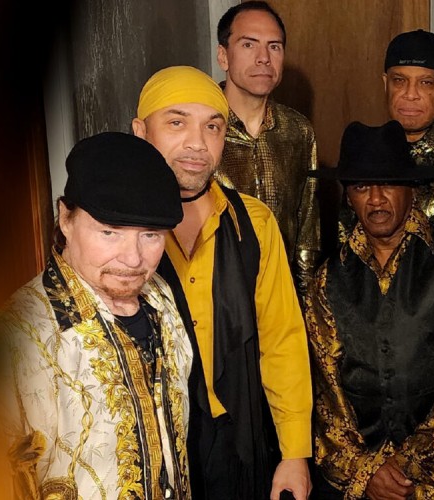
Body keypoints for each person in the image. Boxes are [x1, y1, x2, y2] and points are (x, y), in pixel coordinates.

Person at [132, 65, 313, 500]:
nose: (197, 143)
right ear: (140, 132)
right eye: (177, 123)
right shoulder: (117, 232)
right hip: (154, 452)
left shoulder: (254, 222)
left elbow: (282, 340)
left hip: (242, 443)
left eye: (212, 127)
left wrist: (294, 453)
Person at [0, 132, 191, 498]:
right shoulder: (16, 337)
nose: (133, 259)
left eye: (151, 235)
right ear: (65, 219)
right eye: (109, 232)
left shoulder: (160, 297)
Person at [305, 120, 434, 499]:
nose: (376, 199)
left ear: (412, 189)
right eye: (361, 187)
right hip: (360, 483)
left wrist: (403, 465)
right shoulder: (328, 278)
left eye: (388, 184)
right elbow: (327, 393)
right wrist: (366, 473)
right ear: (347, 197)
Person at [215, 1, 321, 298]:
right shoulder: (203, 127)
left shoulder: (297, 130)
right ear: (223, 55)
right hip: (217, 299)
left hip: (282, 296)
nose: (264, 58)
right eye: (248, 44)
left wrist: (304, 305)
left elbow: (307, 228)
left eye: (274, 47)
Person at [341, 30, 434, 240]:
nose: (410, 94)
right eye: (399, 80)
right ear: (385, 83)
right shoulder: (366, 151)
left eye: (426, 83)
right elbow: (346, 239)